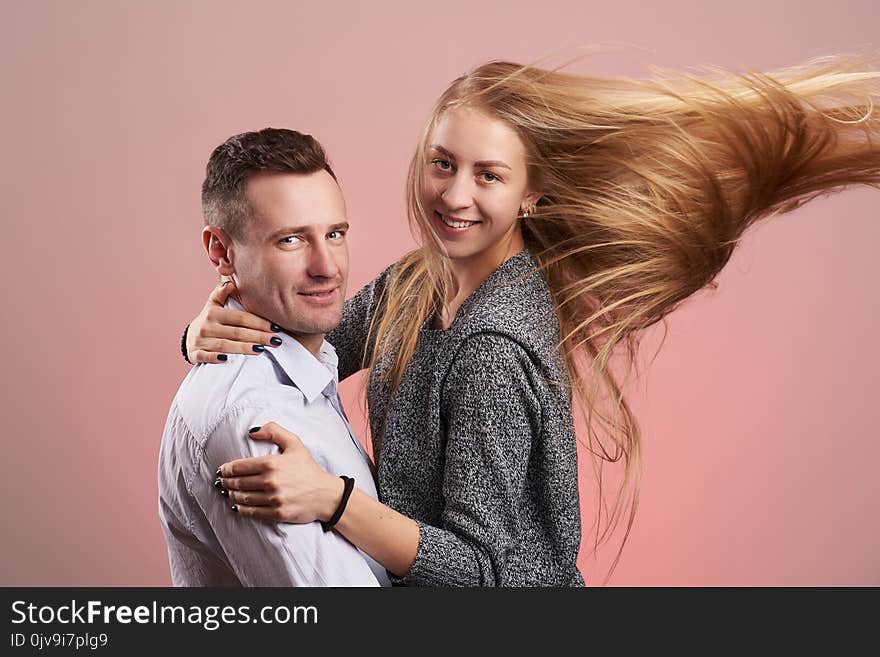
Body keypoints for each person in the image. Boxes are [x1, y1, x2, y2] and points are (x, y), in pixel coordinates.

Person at [185, 55, 880, 585]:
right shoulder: (418, 282)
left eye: (488, 175)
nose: (455, 195)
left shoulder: (492, 347)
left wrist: (333, 501)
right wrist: (204, 329)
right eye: (442, 163)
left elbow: (485, 574)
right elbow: (311, 341)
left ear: (532, 195)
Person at [159, 127, 390, 587]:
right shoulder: (254, 419)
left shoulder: (308, 359)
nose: (328, 266)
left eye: (335, 233)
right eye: (291, 240)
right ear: (221, 251)